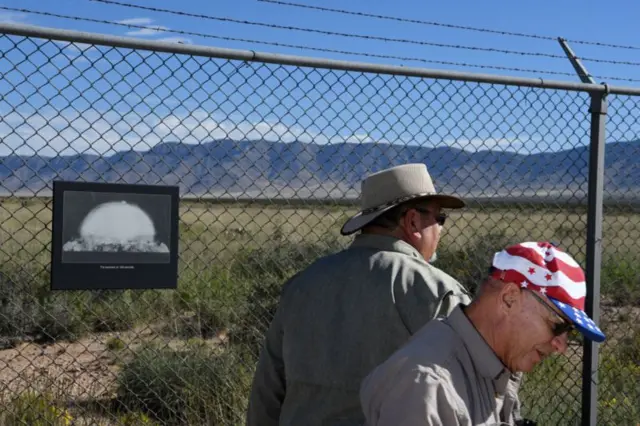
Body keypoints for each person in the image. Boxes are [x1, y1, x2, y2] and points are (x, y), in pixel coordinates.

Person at [245, 163, 474, 426]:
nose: (441, 229)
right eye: (439, 218)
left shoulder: (301, 284)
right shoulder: (439, 292)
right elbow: (470, 396)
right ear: (412, 221)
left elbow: (267, 390)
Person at [359, 241, 606, 426]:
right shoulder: (427, 387)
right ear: (509, 298)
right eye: (558, 327)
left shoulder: (494, 368)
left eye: (569, 332)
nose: (561, 346)